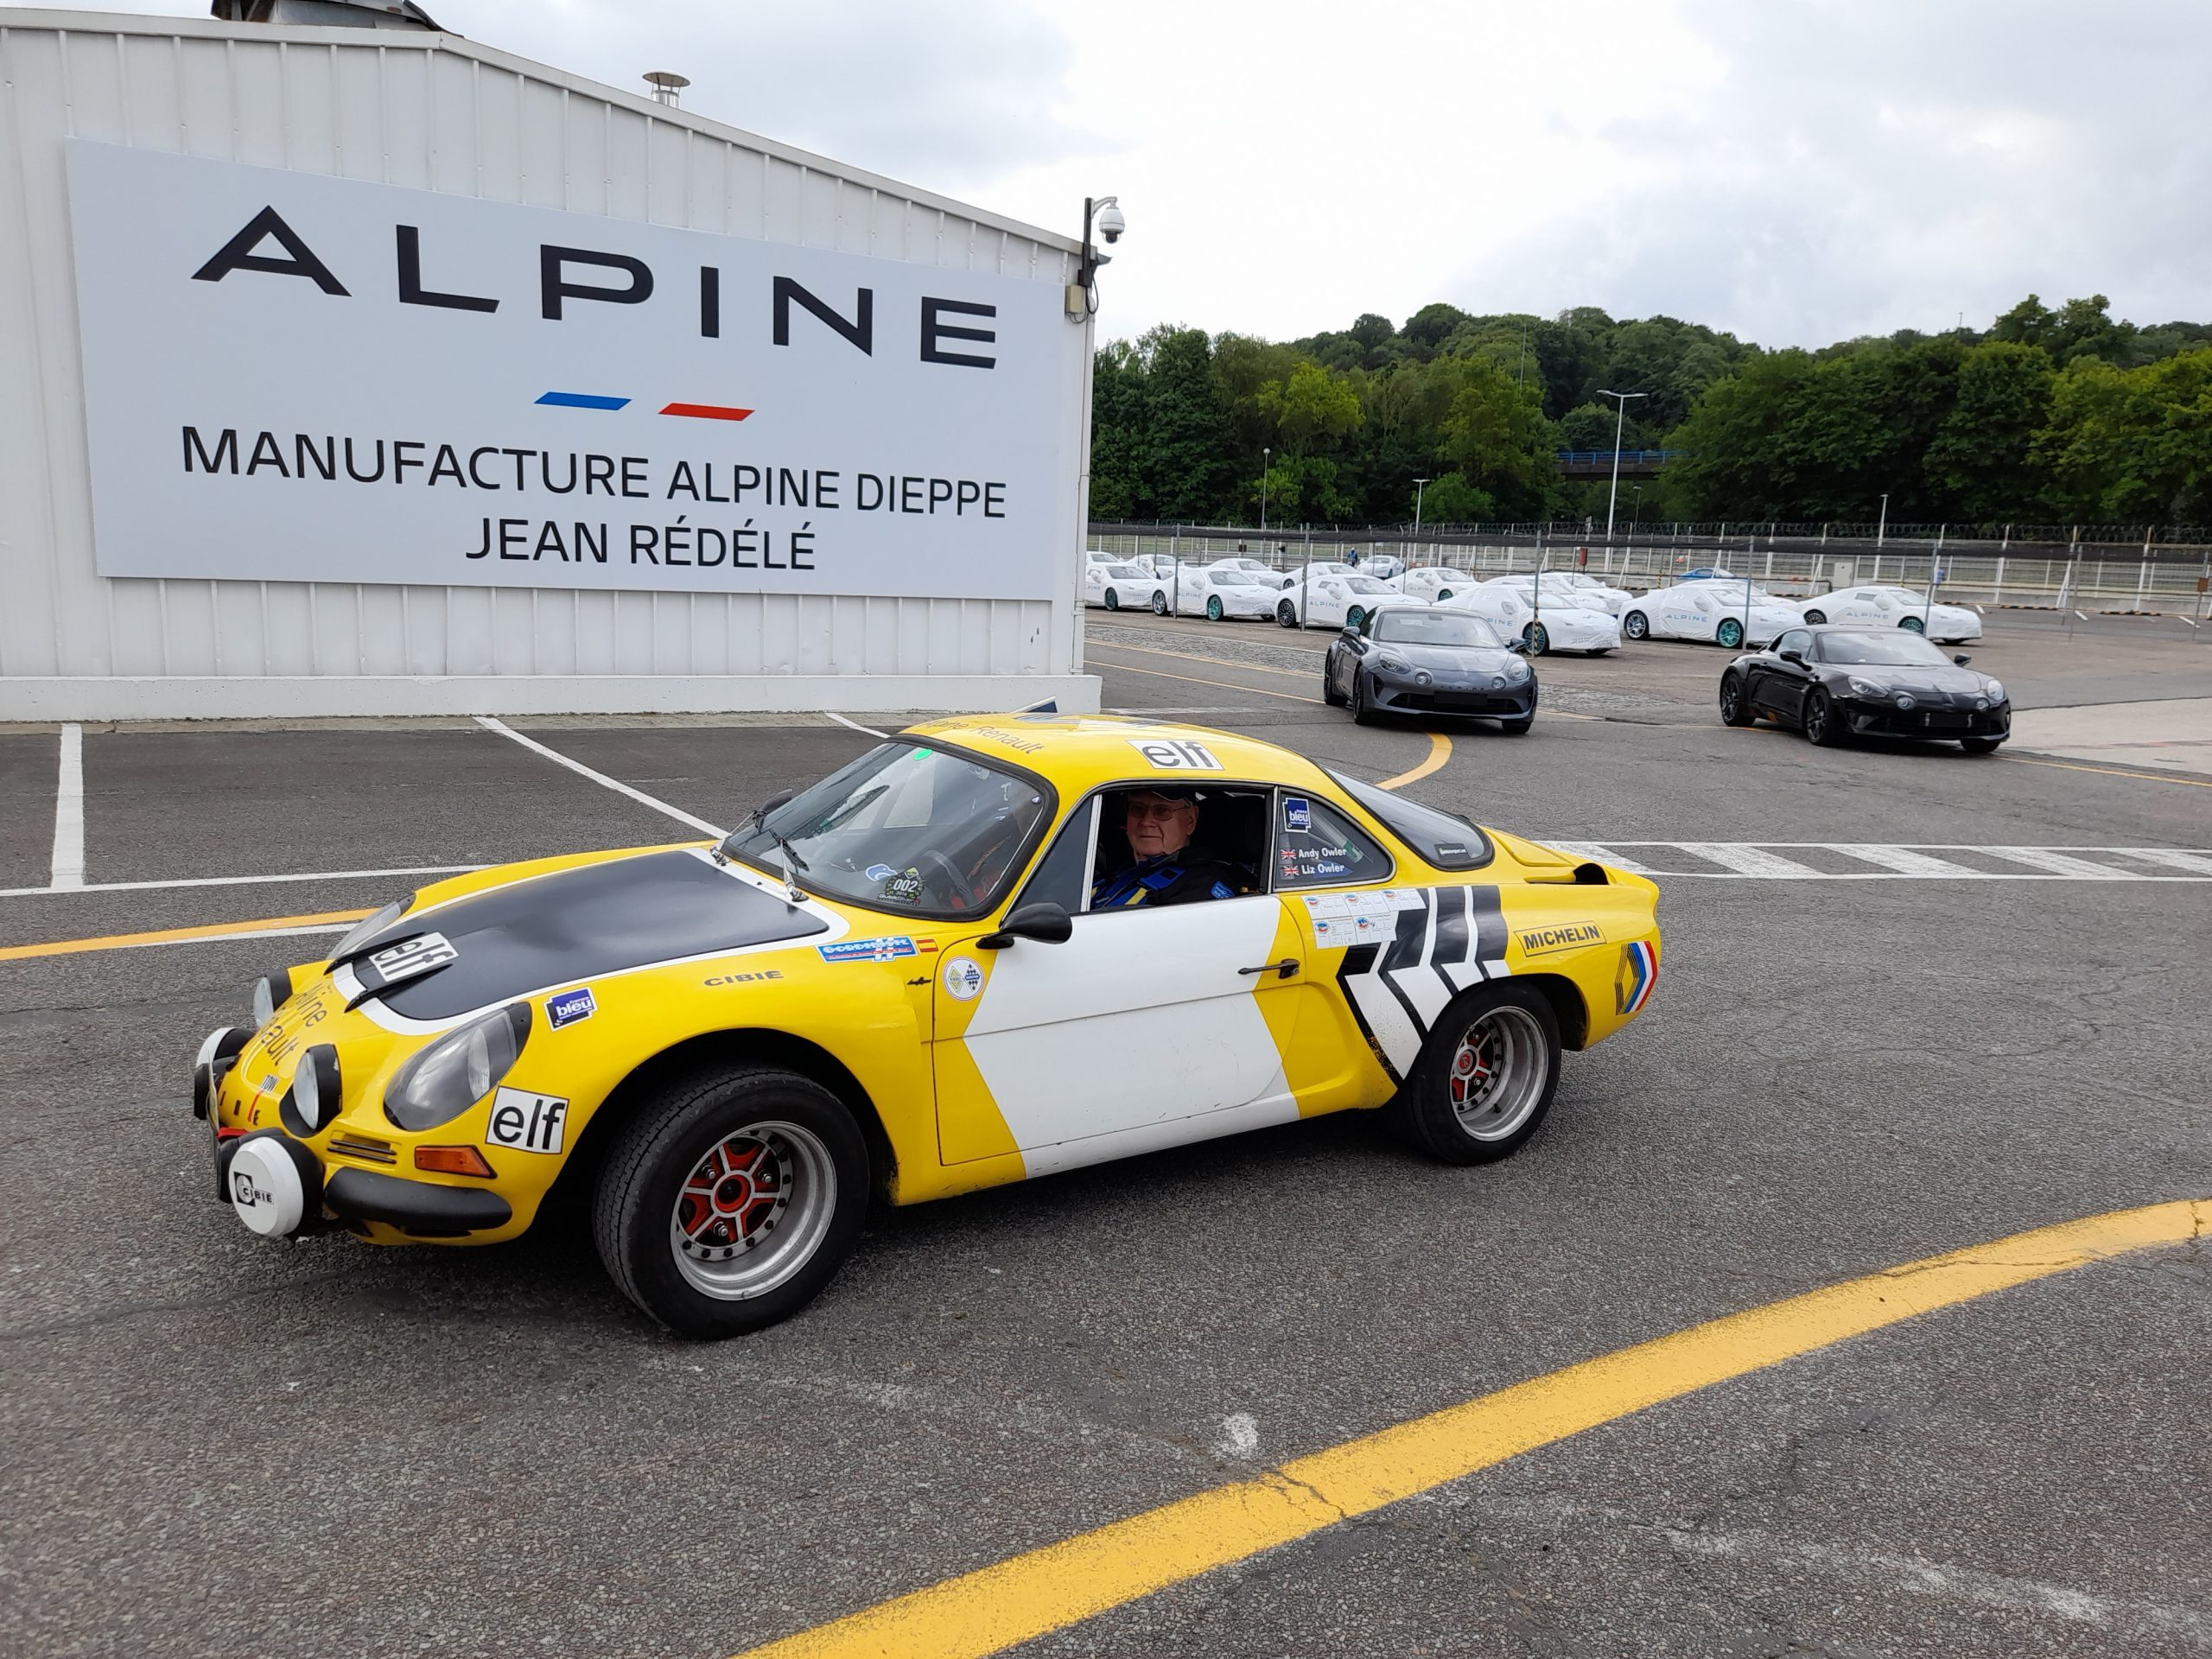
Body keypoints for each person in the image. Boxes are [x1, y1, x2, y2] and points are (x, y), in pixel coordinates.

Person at [1090, 786, 1253, 907]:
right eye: (1137, 809)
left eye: (1162, 811)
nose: (1146, 821)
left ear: (1190, 820)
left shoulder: (1201, 887)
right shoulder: (1112, 863)